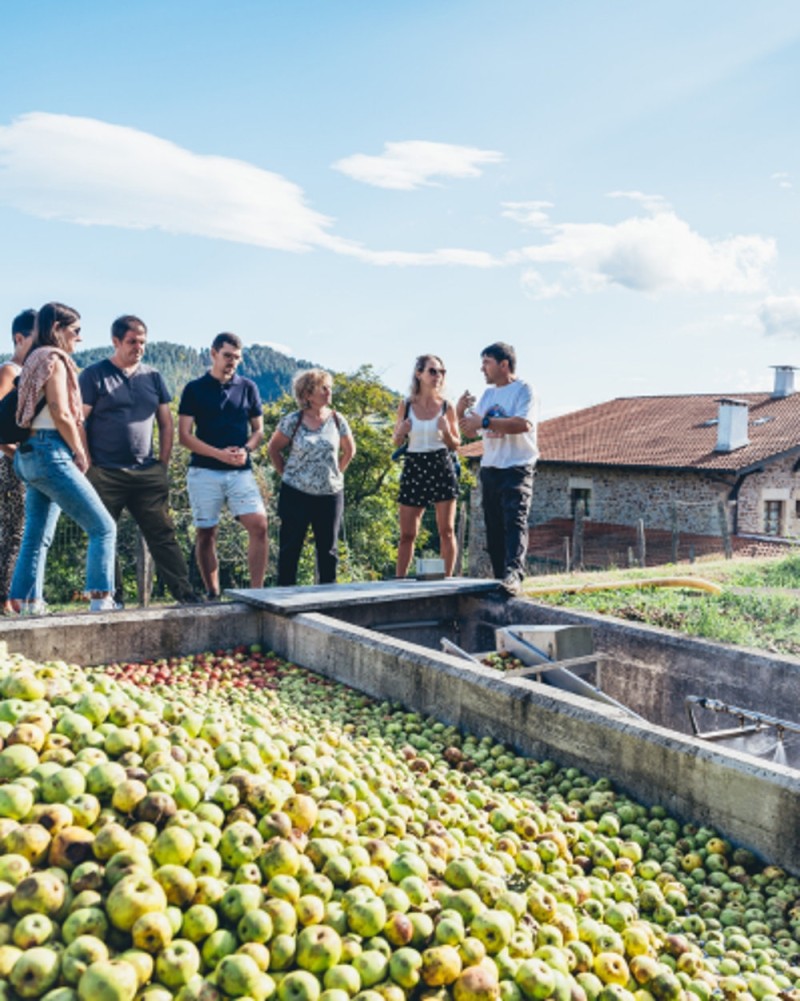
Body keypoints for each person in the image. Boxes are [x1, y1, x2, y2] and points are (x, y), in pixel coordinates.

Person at [79, 315, 201, 605]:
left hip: (147, 472)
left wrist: (163, 463)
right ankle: (113, 598)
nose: (139, 347)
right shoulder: (94, 375)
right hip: (105, 472)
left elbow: (167, 423)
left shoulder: (153, 377)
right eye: (132, 341)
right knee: (103, 535)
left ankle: (185, 596)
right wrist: (88, 463)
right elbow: (78, 421)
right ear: (116, 341)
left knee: (163, 534)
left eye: (143, 342)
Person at [10, 302, 117, 614]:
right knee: (103, 528)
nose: (79, 338)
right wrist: (80, 452)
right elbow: (61, 411)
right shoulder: (54, 359)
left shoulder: (32, 359)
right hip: (50, 450)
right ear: (56, 329)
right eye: (76, 330)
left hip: (28, 454)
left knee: (36, 535)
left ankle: (29, 603)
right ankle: (101, 600)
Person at [178, 332, 267, 597]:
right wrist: (219, 455)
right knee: (206, 533)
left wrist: (246, 450)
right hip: (203, 471)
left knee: (259, 525)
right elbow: (185, 436)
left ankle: (257, 594)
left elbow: (259, 431)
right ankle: (212, 593)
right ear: (213, 353)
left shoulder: (248, 387)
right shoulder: (194, 389)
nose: (232, 362)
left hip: (240, 471)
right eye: (227, 356)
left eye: (237, 358)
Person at [457, 341, 537, 596]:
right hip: (490, 466)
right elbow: (471, 430)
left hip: (517, 465)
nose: (482, 369)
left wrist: (486, 420)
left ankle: (514, 574)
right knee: (493, 524)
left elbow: (522, 424)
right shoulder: (488, 395)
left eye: (487, 363)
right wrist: (461, 411)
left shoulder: (524, 390)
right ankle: (500, 578)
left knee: (514, 520)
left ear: (504, 364)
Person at [267, 369, 356, 586]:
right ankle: (284, 598)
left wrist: (336, 474)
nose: (328, 392)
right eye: (323, 388)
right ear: (307, 394)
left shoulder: (337, 419)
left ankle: (328, 598)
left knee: (328, 550)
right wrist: (285, 473)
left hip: (330, 494)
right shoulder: (292, 420)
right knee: (290, 548)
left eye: (329, 388)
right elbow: (273, 450)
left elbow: (349, 451)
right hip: (295, 493)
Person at [392, 355, 461, 577]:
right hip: (414, 464)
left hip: (441, 463)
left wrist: (447, 432)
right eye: (433, 371)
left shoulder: (447, 407)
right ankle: (398, 583)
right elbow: (396, 441)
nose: (438, 376)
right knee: (407, 534)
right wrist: (401, 432)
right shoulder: (406, 405)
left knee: (447, 530)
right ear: (418, 374)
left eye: (442, 372)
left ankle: (447, 582)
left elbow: (456, 444)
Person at [0, 309, 37, 613]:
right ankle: (5, 602)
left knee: (19, 533)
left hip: (17, 463)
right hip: (8, 464)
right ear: (19, 338)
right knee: (14, 534)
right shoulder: (9, 372)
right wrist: (21, 456)